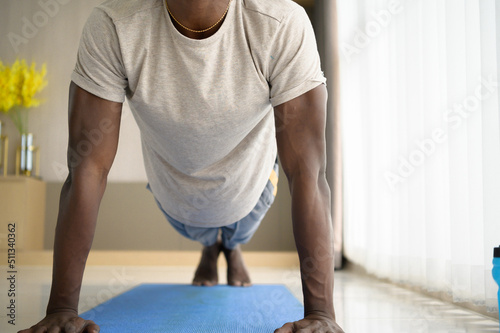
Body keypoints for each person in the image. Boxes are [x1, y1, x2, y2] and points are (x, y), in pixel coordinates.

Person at [19, 0, 344, 332]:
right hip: (176, 201)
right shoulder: (114, 24)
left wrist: (321, 314)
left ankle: (230, 249)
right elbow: (87, 168)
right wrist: (61, 307)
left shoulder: (281, 23)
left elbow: (308, 171)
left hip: (252, 192)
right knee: (203, 230)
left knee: (237, 232)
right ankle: (211, 247)